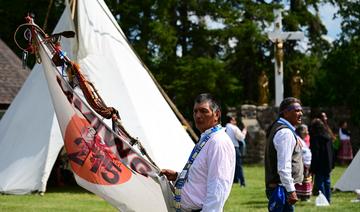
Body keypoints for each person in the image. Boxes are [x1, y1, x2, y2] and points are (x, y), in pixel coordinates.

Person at [161, 93, 235, 212]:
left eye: (203, 111)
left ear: (217, 115)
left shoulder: (218, 142)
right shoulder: (207, 138)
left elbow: (218, 187)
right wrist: (176, 177)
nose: (198, 115)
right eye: (195, 111)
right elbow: (200, 178)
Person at [265, 97, 304, 212]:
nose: (300, 113)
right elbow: (284, 166)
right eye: (296, 110)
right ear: (285, 113)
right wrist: (291, 190)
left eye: (301, 110)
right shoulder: (285, 133)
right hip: (282, 189)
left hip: (281, 187)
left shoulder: (280, 128)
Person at [310, 118, 334, 203]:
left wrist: (313, 166)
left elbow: (315, 152)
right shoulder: (328, 136)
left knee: (319, 182)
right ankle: (328, 199)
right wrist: (332, 164)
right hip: (328, 163)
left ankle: (324, 200)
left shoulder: (315, 138)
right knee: (327, 181)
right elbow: (332, 151)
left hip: (319, 163)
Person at [225, 115, 247, 187]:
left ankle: (234, 181)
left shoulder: (224, 128)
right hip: (234, 147)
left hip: (226, 148)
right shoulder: (234, 127)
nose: (235, 122)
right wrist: (244, 131)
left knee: (229, 166)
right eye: (234, 120)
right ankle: (242, 182)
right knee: (238, 165)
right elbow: (241, 137)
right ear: (231, 120)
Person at [295, 124, 312, 201]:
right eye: (305, 130)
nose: (307, 132)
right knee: (302, 180)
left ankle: (305, 195)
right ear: (301, 131)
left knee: (306, 180)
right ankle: (302, 195)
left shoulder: (302, 140)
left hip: (306, 164)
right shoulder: (297, 139)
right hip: (301, 164)